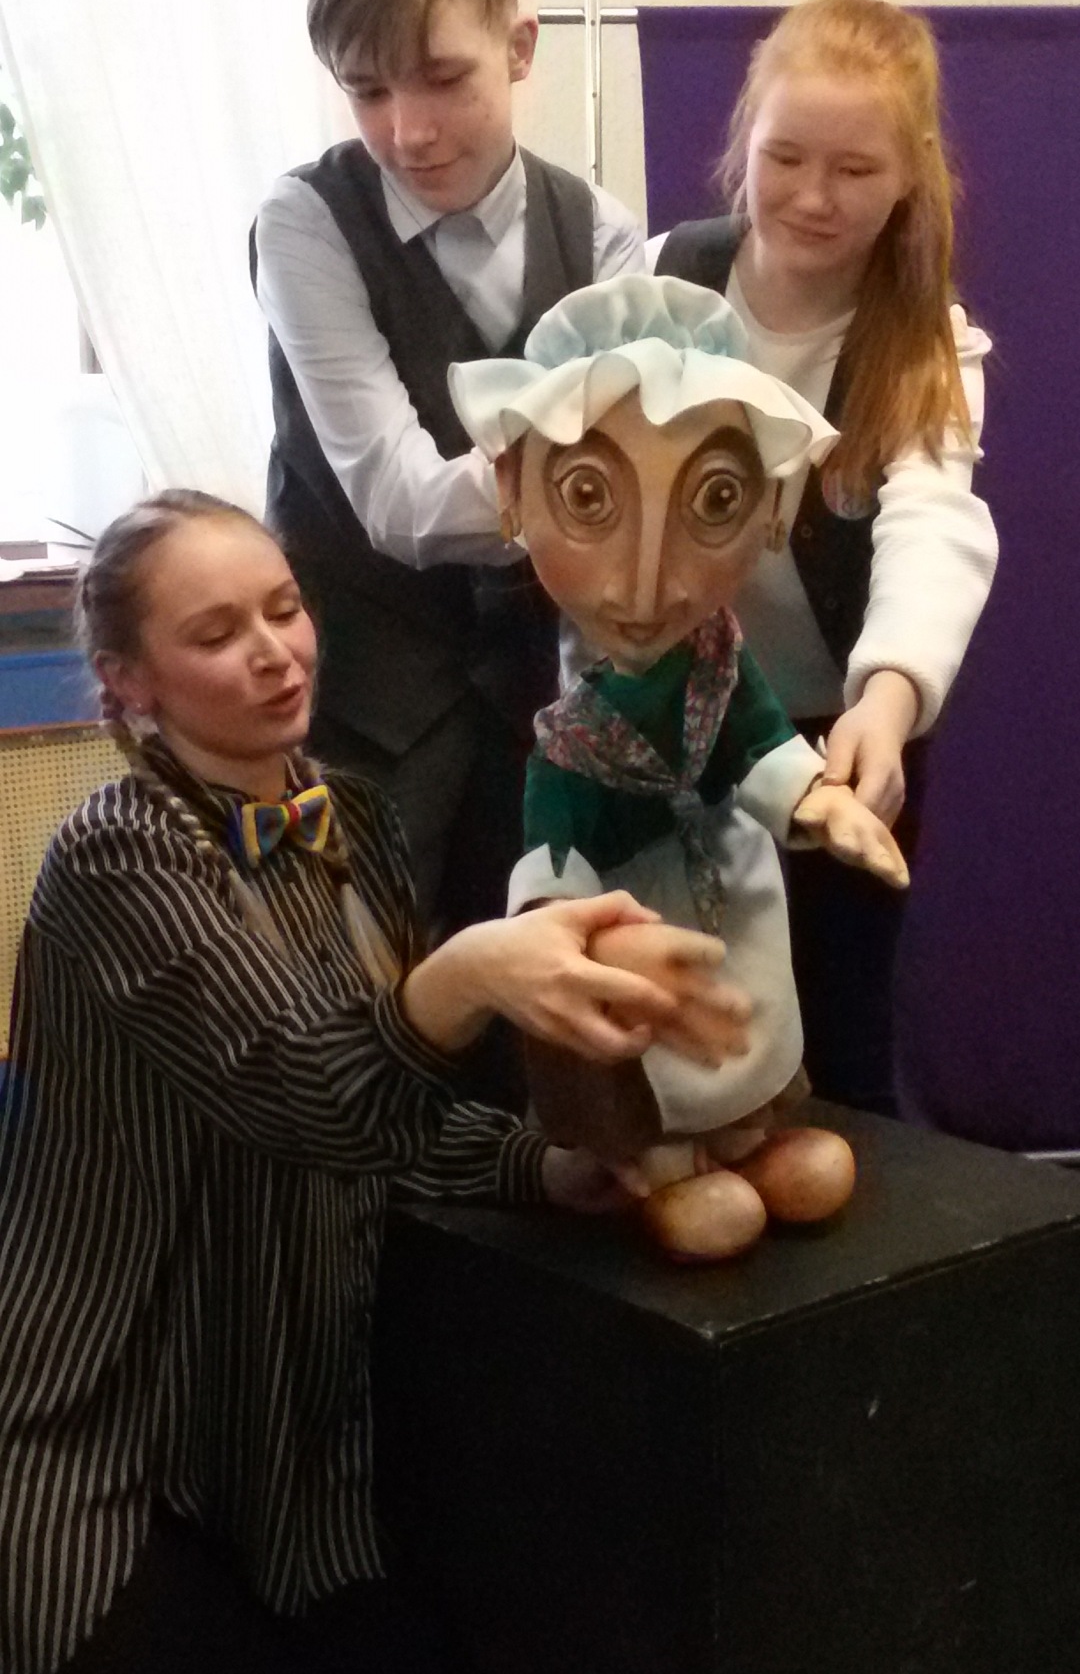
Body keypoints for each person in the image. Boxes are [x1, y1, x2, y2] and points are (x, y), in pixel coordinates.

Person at [0, 490, 746, 1674]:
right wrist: (469, 971)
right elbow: (305, 1092)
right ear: (128, 681)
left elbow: (391, 1117)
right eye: (216, 634)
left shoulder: (351, 817)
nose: (274, 652)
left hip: (294, 1455)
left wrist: (545, 1167)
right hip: (113, 1440)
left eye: (284, 608)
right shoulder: (116, 855)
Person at [449, 274, 908, 1259]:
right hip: (641, 928)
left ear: (772, 506)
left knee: (747, 1025)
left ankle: (746, 1131)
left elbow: (761, 745)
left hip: (732, 896)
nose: (647, 577)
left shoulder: (721, 664)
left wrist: (819, 800)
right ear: (513, 495)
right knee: (662, 1048)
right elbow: (553, 868)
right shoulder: (570, 744)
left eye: (714, 500)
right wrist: (562, 935)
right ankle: (660, 1162)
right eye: (588, 498)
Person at [252, 0, 643, 936]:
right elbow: (400, 503)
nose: (408, 130)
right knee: (358, 998)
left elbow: (627, 496)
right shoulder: (306, 225)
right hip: (358, 720)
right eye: (367, 90)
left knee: (540, 997)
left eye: (442, 78)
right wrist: (583, 487)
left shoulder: (604, 235)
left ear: (519, 48)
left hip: (545, 719)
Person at [647, 0, 999, 1113]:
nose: (811, 195)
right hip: (664, 725)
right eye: (785, 157)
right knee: (671, 1023)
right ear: (743, 142)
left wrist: (888, 702)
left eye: (854, 169)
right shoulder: (658, 283)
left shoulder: (924, 343)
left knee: (838, 1026)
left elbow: (932, 524)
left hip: (839, 735)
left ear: (911, 175)